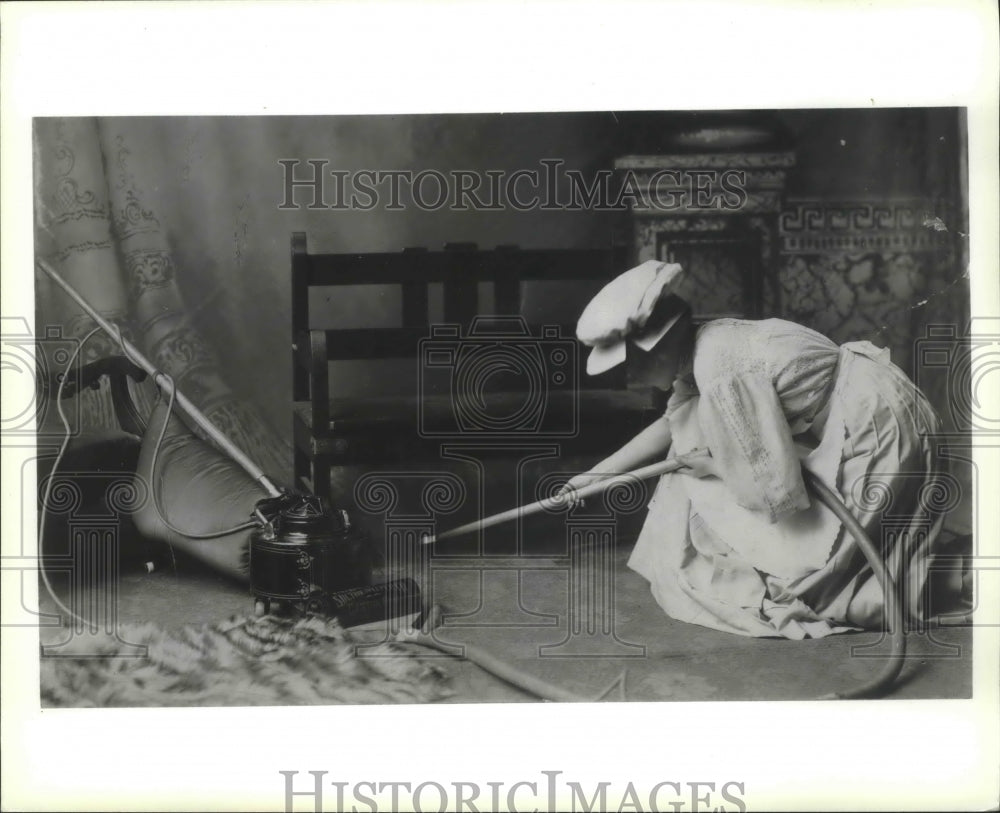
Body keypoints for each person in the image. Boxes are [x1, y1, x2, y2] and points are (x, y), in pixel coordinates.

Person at [560, 259, 955, 639]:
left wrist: (712, 466)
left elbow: (775, 485)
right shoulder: (704, 344)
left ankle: (958, 580)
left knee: (820, 592)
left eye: (632, 363)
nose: (630, 376)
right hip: (870, 410)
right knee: (863, 565)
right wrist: (594, 476)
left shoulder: (719, 366)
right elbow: (671, 422)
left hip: (879, 426)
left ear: (659, 348)